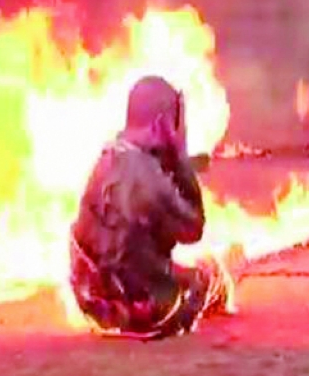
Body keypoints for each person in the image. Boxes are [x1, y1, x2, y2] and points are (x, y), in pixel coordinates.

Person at [69, 75, 239, 339]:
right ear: (163, 125)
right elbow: (193, 229)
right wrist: (180, 162)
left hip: (91, 300)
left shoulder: (107, 158)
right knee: (209, 275)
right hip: (143, 312)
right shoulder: (149, 180)